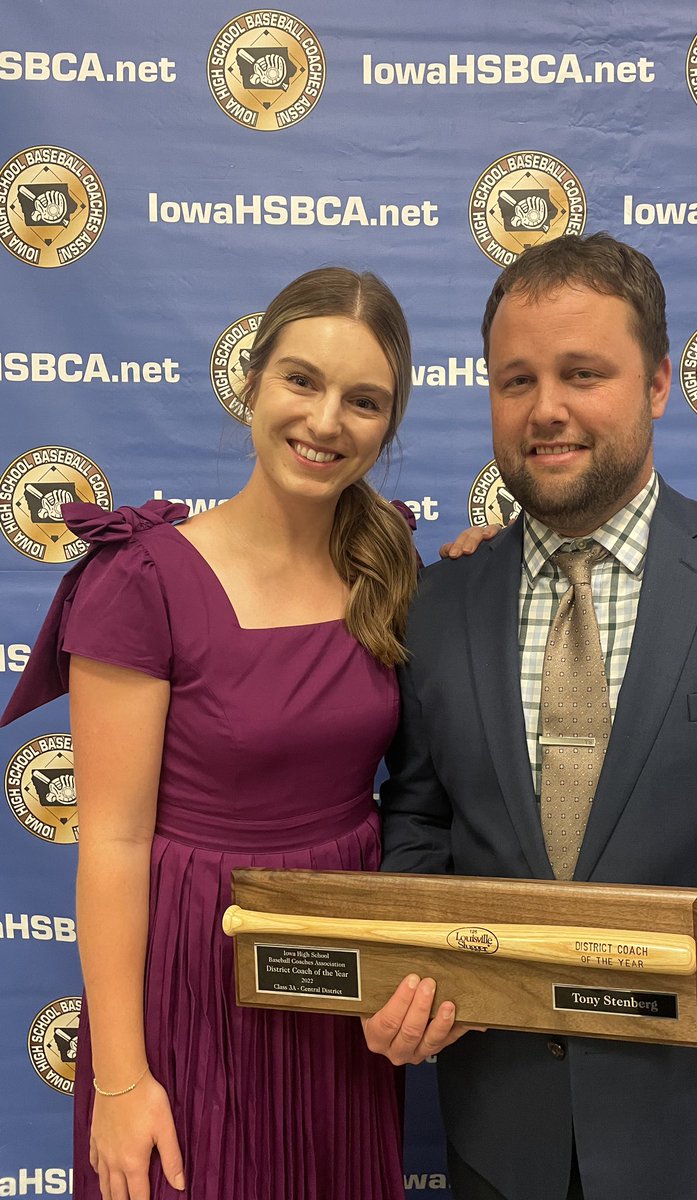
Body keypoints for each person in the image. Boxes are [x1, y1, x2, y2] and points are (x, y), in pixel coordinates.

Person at [363, 234, 697, 1200]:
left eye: (583, 373)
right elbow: (421, 821)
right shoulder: (441, 604)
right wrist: (409, 969)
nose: (546, 409)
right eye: (515, 379)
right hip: (502, 1138)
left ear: (658, 383)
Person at [1, 266, 423, 1200]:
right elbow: (108, 840)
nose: (325, 422)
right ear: (253, 382)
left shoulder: (388, 560)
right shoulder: (142, 580)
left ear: (388, 426)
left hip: (339, 979)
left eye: (363, 401)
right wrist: (119, 1079)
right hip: (195, 978)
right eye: (301, 381)